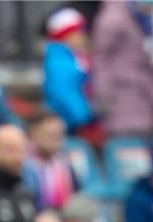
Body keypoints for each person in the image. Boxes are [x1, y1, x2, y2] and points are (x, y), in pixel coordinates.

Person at [92, 0, 153, 140]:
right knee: (126, 147)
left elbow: (152, 58)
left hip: (141, 99)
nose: (152, 10)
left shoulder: (144, 22)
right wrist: (103, 95)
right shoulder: (113, 19)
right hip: (121, 97)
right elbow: (101, 59)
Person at [42, 8, 99, 142]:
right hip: (71, 127)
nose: (84, 36)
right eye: (79, 32)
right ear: (67, 35)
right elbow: (63, 92)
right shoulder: (59, 61)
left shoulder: (73, 57)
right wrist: (83, 118)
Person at [22, 110, 79, 211]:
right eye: (50, 135)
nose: (57, 141)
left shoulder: (65, 164)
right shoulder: (23, 166)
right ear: (32, 134)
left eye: (60, 135)